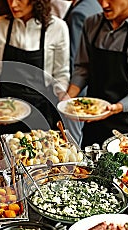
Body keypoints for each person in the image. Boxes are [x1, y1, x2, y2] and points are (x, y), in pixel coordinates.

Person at [65, 0, 128, 148]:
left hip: (126, 131)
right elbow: (83, 68)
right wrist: (67, 98)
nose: (104, 4)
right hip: (92, 125)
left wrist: (117, 107)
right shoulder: (91, 24)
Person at [0, 0, 70, 136]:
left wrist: (63, 98)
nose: (13, 4)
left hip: (40, 111)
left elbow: (60, 74)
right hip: (5, 111)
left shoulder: (57, 28)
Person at [51, 0, 102, 144]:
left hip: (74, 89)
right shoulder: (94, 4)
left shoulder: (78, 14)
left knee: (71, 140)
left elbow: (73, 60)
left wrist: (66, 95)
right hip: (87, 87)